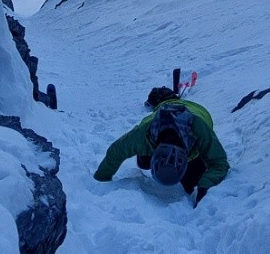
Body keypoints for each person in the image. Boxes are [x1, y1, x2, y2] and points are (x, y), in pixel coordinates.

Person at [93, 87, 229, 205]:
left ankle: (166, 97)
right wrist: (101, 180)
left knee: (192, 182)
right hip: (161, 120)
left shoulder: (200, 130)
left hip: (196, 112)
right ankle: (162, 97)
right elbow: (116, 151)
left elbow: (220, 163)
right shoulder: (143, 134)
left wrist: (205, 186)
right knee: (143, 163)